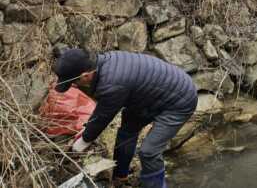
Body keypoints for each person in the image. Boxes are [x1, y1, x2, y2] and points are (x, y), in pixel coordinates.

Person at [53, 48, 198, 187]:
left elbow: (103, 116)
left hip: (180, 100)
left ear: (86, 75)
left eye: (74, 82)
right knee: (127, 131)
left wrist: (82, 142)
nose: (75, 86)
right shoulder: (103, 63)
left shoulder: (112, 83)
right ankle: (120, 177)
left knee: (148, 152)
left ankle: (156, 186)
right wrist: (86, 133)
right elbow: (101, 113)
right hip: (147, 96)